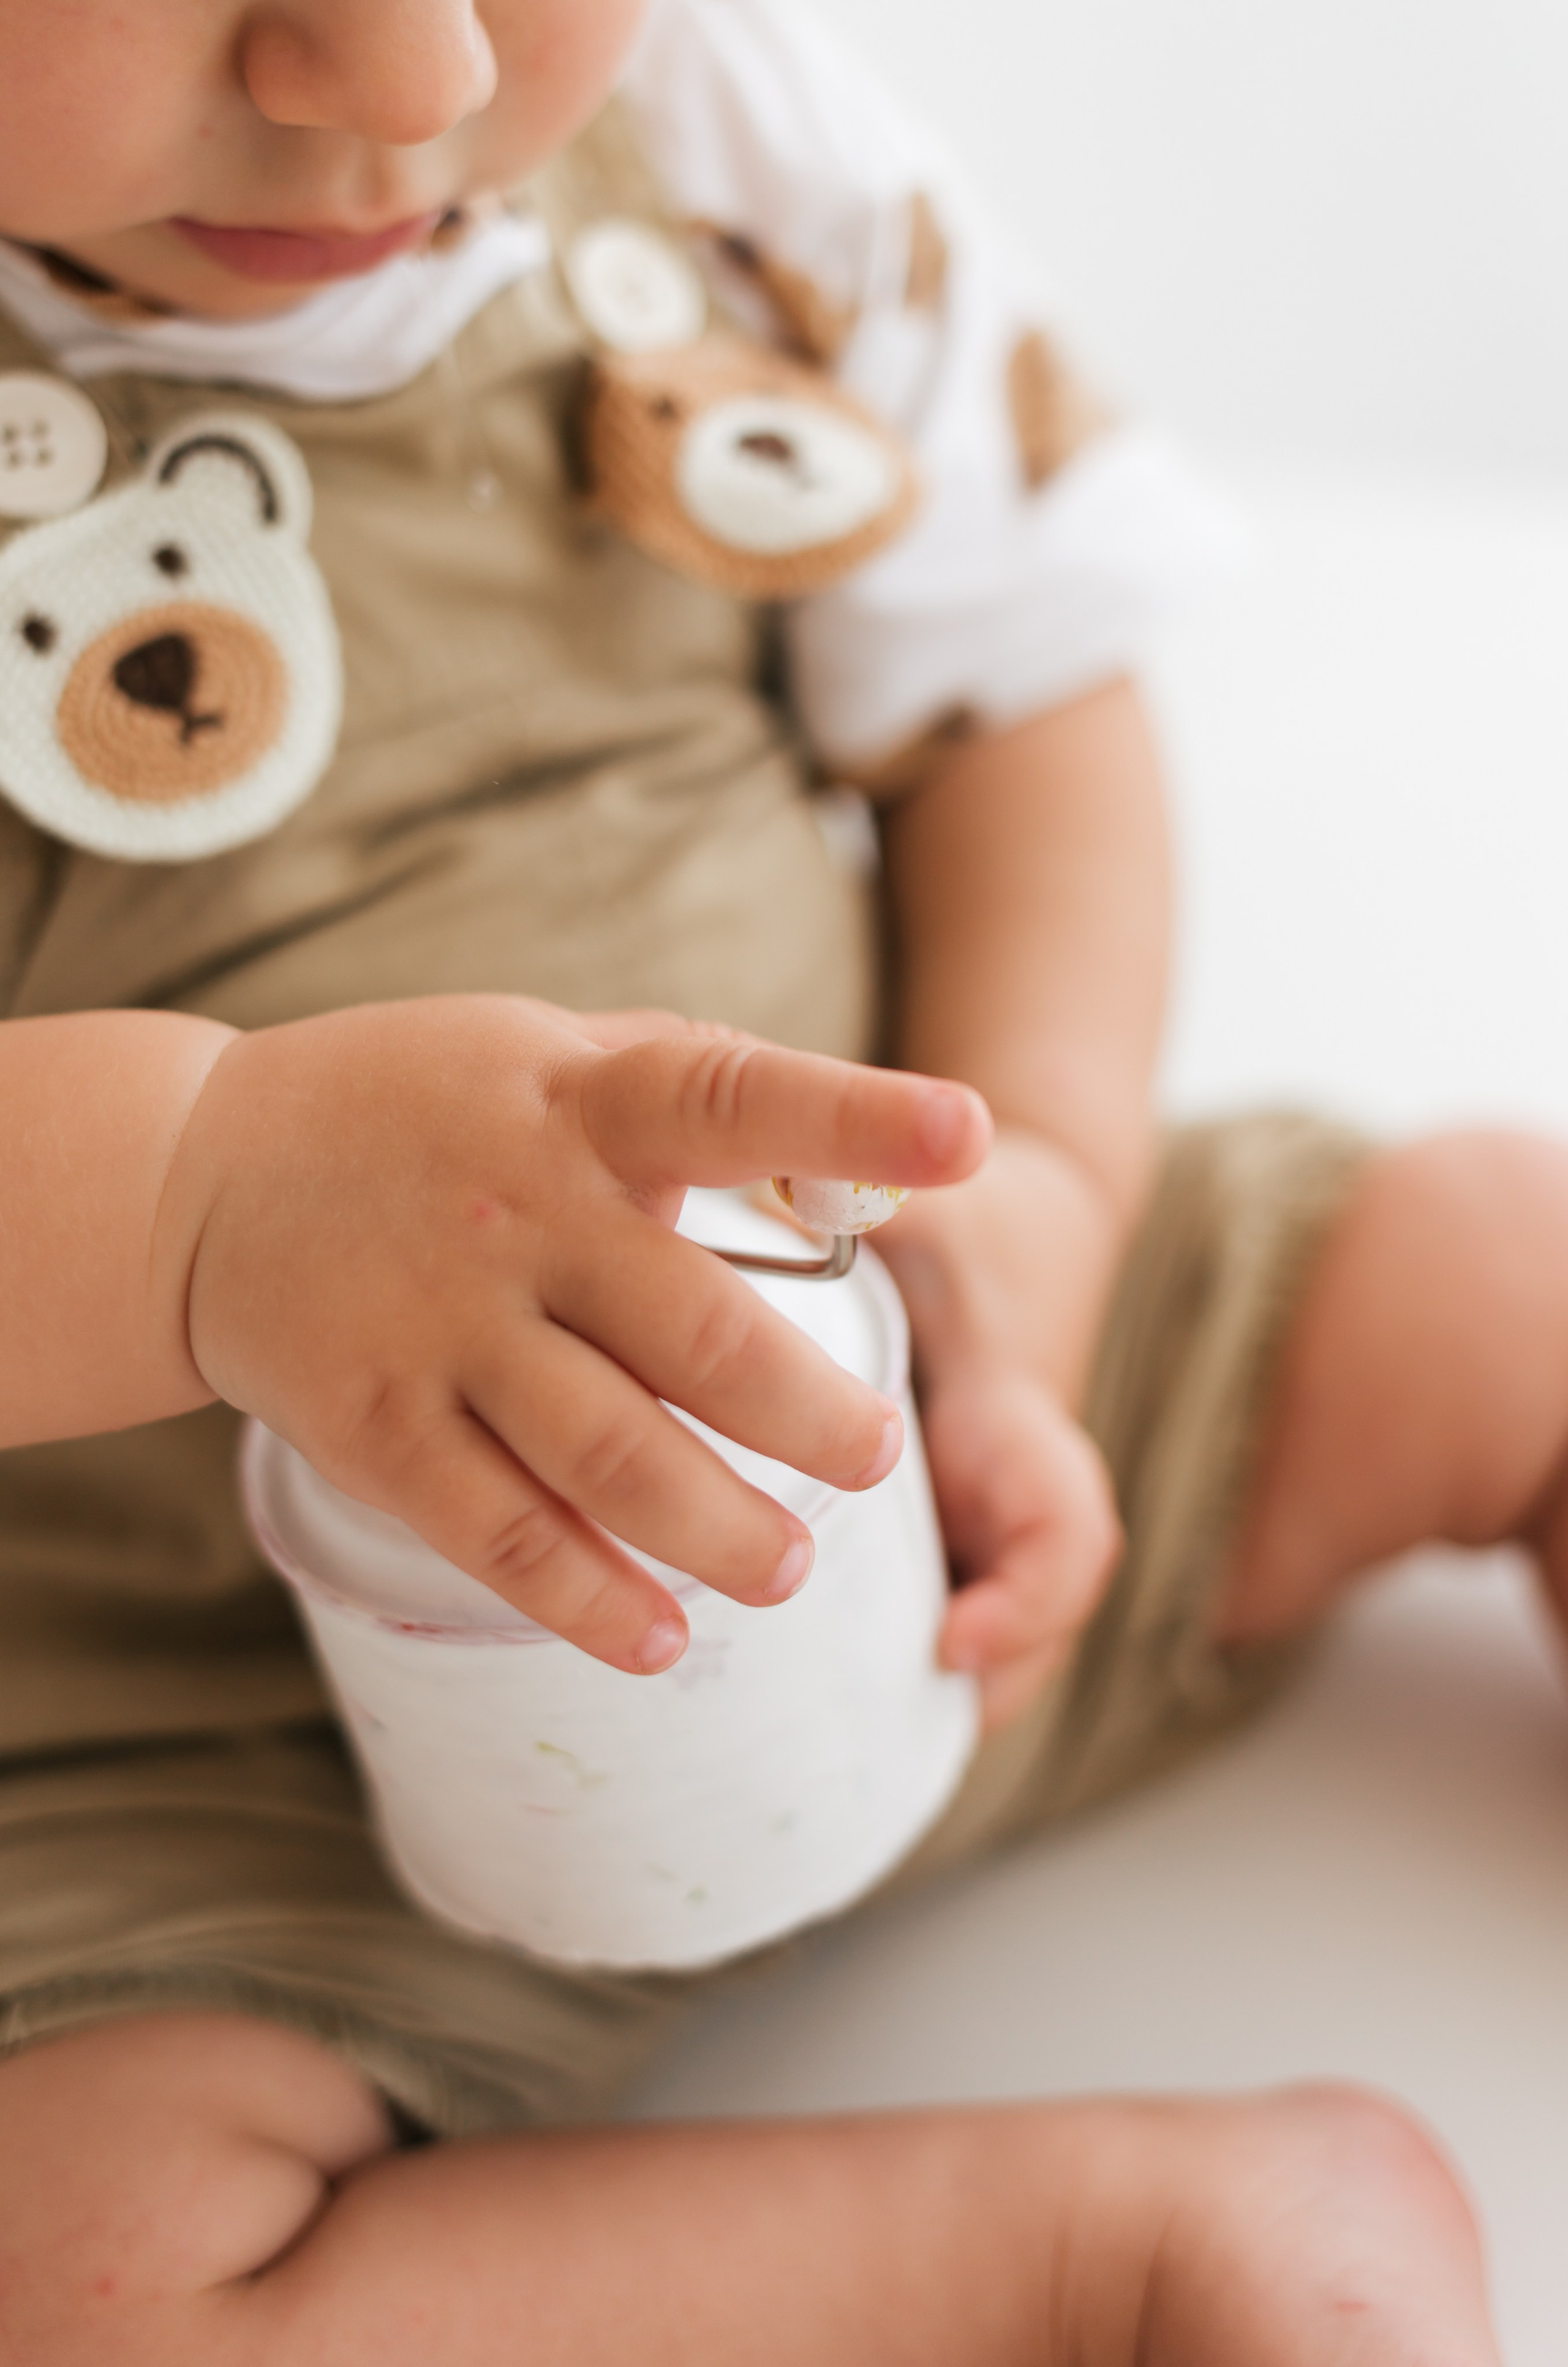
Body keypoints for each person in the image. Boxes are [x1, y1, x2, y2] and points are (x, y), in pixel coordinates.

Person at [0, 0, 1554, 2355]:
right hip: (191, 1731)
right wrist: (200, 1201)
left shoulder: (730, 145)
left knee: (1509, 1280)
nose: (399, 75)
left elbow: (1016, 702)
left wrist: (1039, 1185)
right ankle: (1097, 2256)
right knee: (75, 2281)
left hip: (942, 1445)